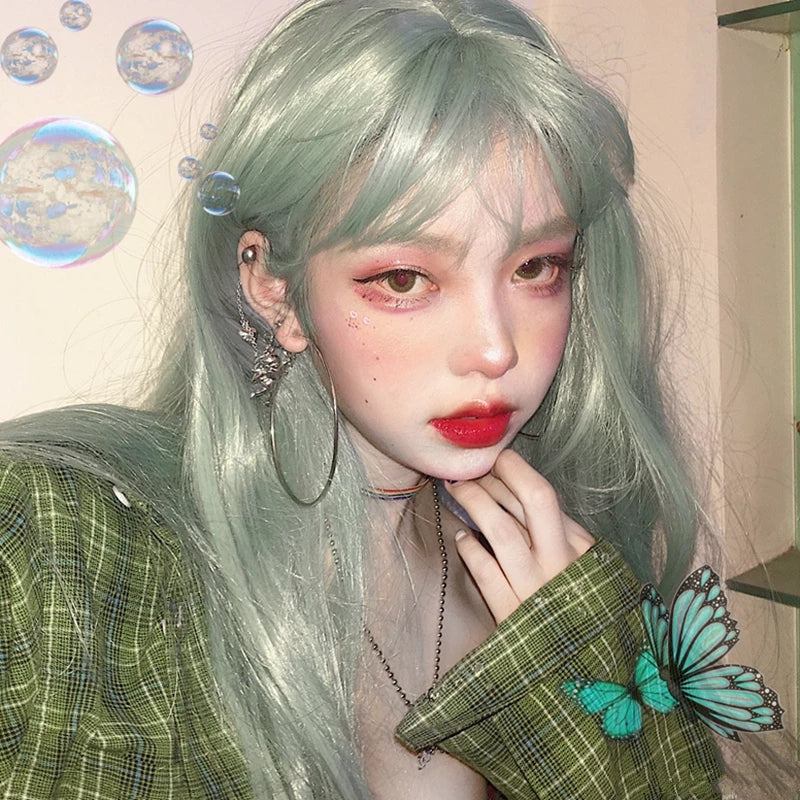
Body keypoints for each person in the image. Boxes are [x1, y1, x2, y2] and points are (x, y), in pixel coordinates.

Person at [0, 0, 769, 797]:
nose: (495, 350)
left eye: (536, 267)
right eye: (405, 278)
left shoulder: (567, 574)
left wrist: (585, 688)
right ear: (276, 291)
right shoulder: (56, 551)